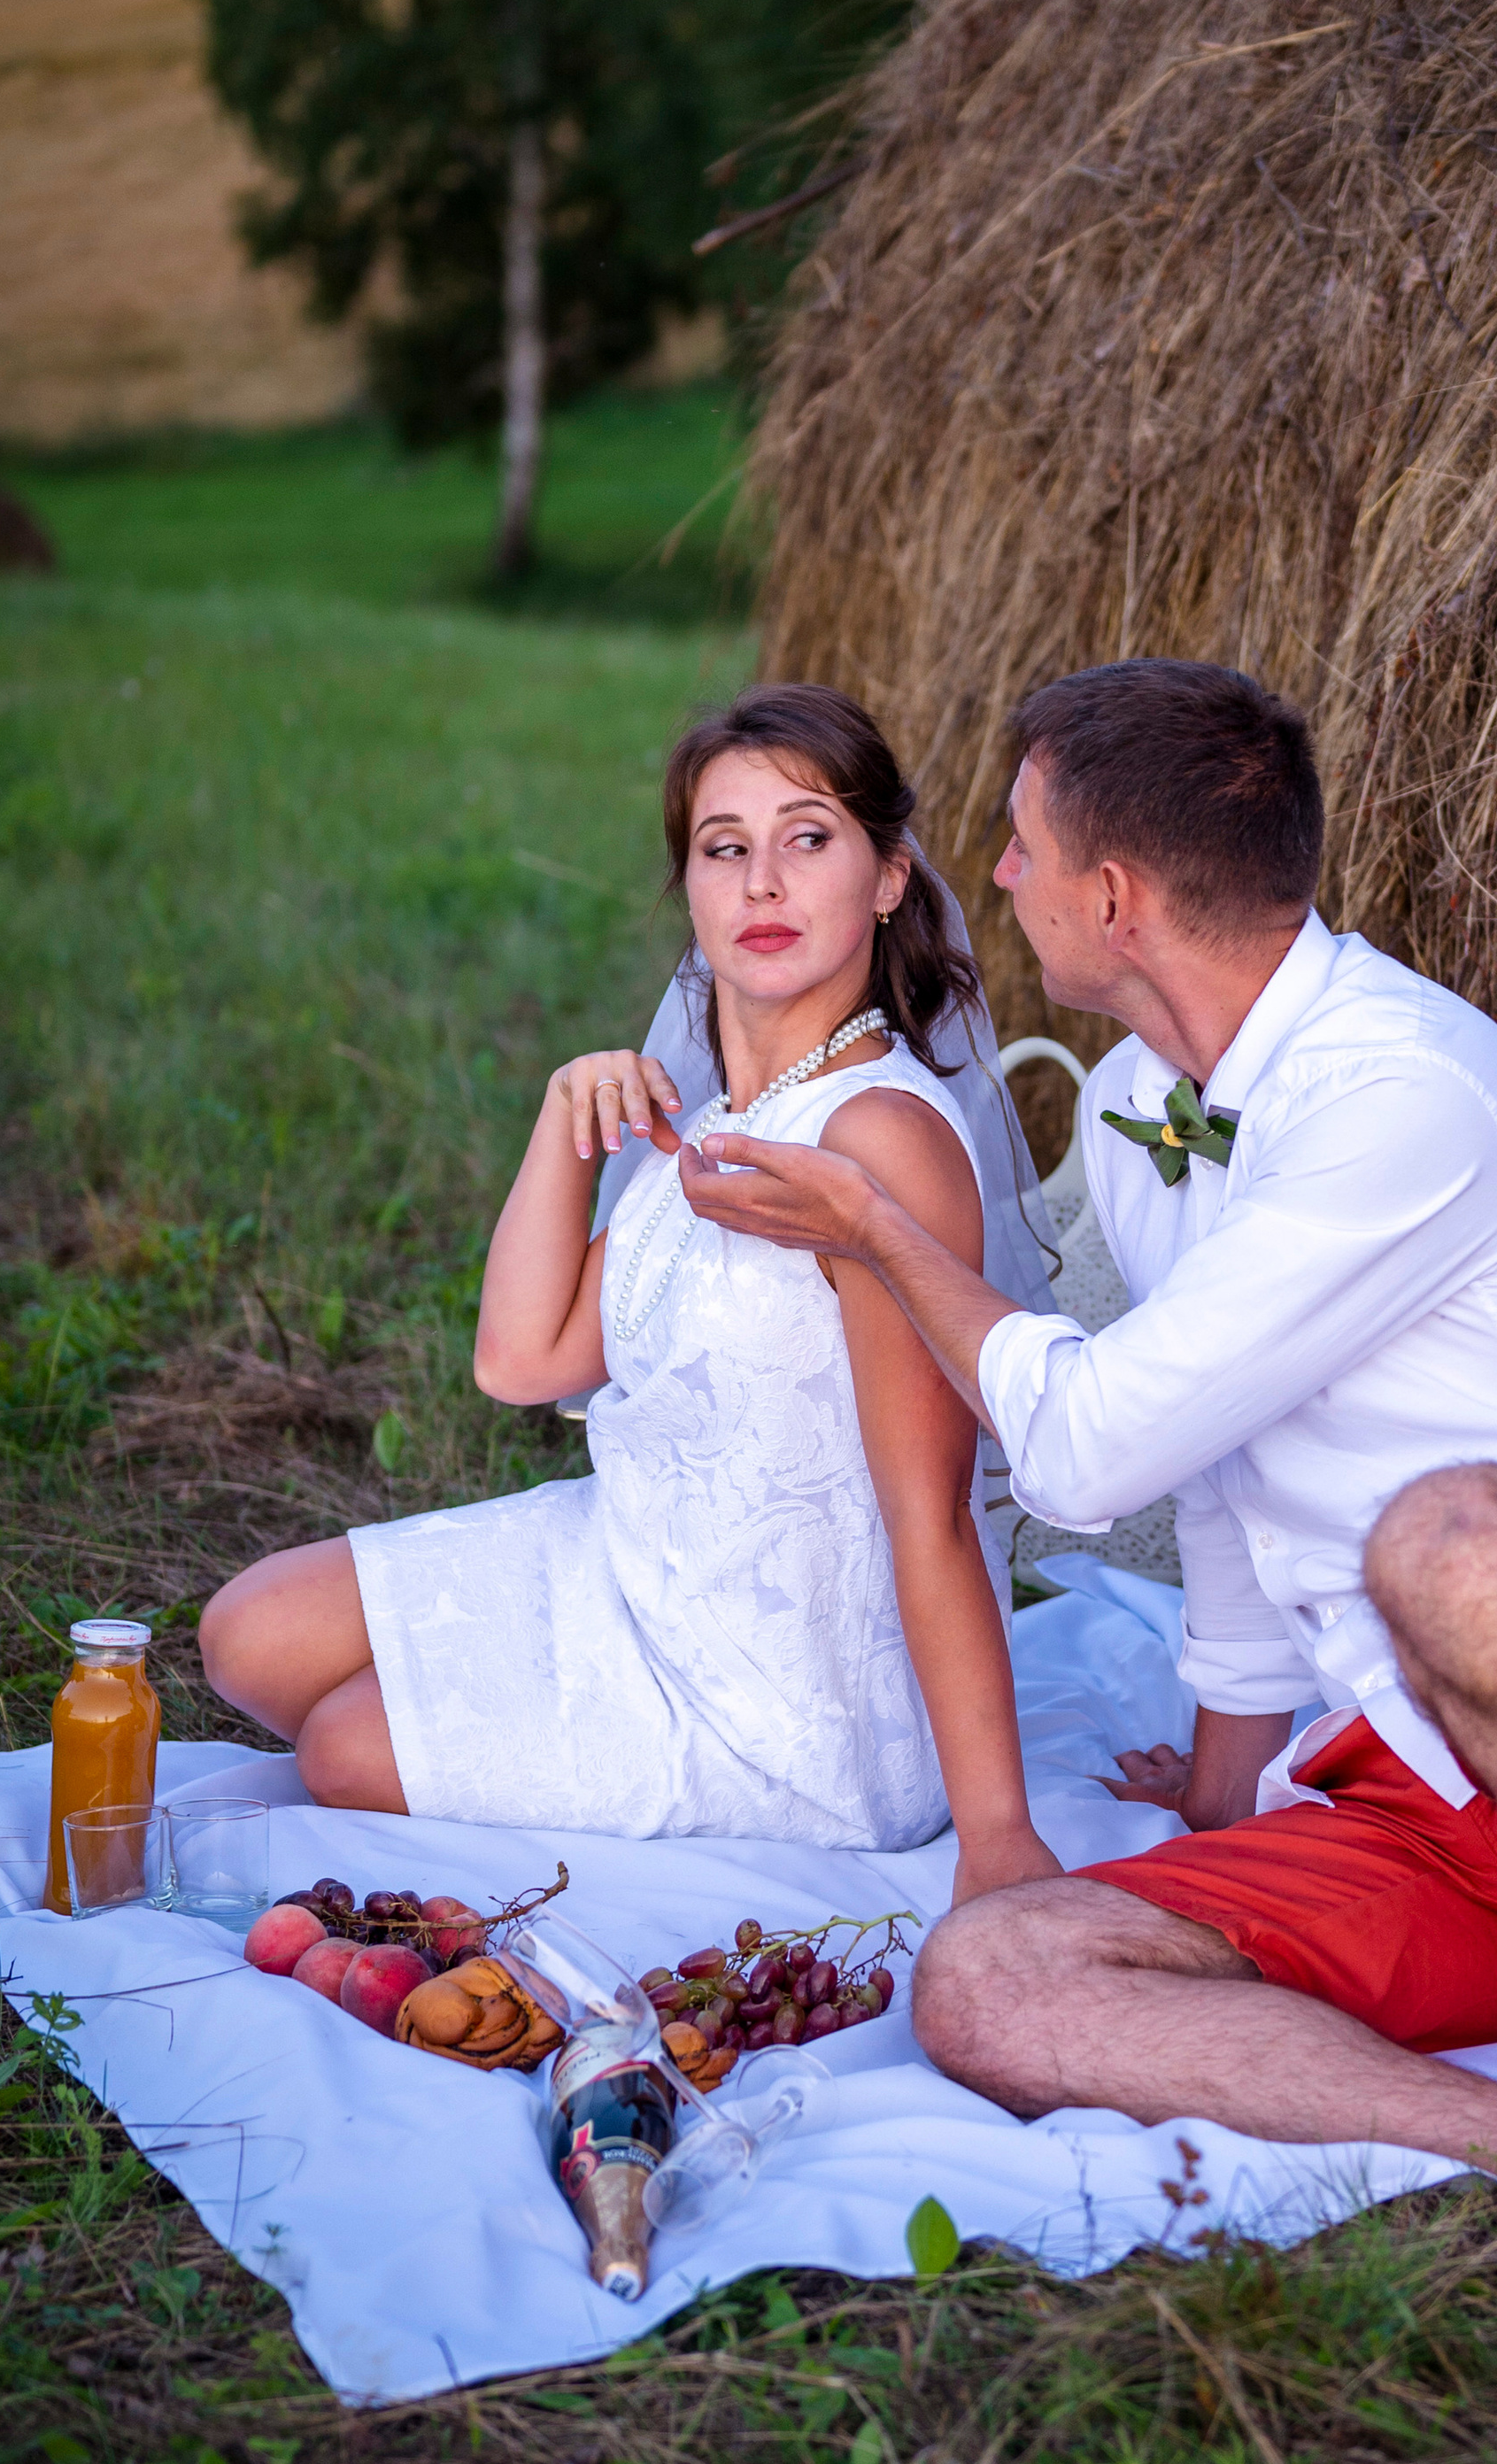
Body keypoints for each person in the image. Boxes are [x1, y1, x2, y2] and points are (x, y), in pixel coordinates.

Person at [680, 656, 1497, 2292]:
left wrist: (876, 1236)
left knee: (1454, 1542)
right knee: (987, 1979)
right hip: (1447, 1799)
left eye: (1019, 845)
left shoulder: (1400, 1088)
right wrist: (1230, 1799)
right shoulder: (1155, 1105)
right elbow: (1212, 1475)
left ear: (1114, 895)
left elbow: (1087, 1450)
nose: (993, 877)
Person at [198, 683, 1062, 1899]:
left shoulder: (878, 1138)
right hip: (632, 1560)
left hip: (786, 1696)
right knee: (244, 1634)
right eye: (726, 849)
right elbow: (521, 1360)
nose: (762, 883)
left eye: (807, 838)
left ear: (887, 877)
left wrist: (998, 1835)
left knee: (341, 1748)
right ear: (691, 888)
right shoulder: (709, 1121)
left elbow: (932, 1509)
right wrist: (566, 1120)